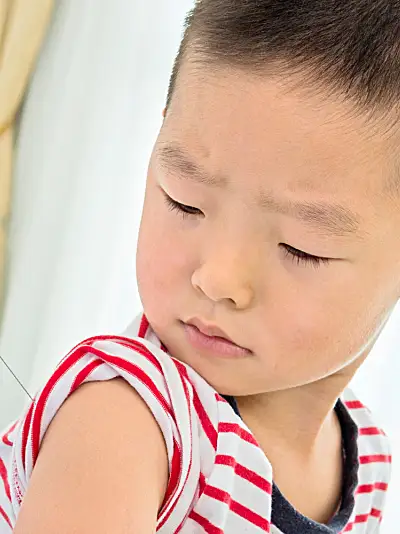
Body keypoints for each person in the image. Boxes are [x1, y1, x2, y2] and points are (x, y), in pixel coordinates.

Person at [0, 0, 396, 532]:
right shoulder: (128, 420)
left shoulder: (365, 459)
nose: (218, 278)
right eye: (186, 202)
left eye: (302, 247)